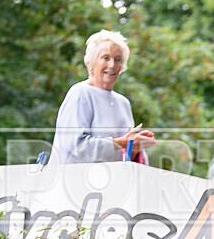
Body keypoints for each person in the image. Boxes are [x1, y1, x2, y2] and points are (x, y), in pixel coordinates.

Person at [49, 30, 156, 165]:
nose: (112, 65)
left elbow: (123, 158)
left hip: (111, 182)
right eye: (106, 58)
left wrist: (134, 147)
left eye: (118, 60)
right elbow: (74, 147)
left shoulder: (123, 103)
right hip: (75, 181)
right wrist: (121, 143)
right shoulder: (81, 93)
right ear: (92, 62)